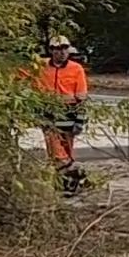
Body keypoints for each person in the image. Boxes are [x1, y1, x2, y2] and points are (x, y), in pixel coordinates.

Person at [30, 35, 89, 186]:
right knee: (54, 146)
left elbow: (81, 97)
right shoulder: (41, 67)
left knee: (66, 149)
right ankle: (67, 175)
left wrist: (80, 121)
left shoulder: (76, 69)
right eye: (57, 49)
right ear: (51, 50)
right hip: (48, 113)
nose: (61, 52)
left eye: (64, 48)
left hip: (68, 114)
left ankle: (67, 179)